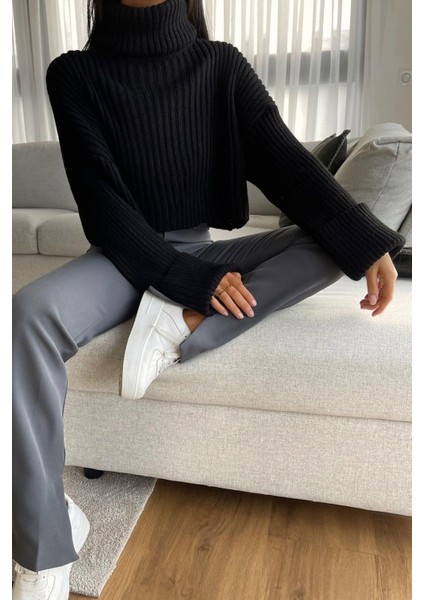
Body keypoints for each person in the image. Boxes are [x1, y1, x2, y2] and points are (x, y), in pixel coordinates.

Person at [12, 0, 405, 597]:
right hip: (122, 257)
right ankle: (46, 546)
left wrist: (367, 238)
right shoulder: (73, 73)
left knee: (334, 242)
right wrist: (182, 275)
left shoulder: (220, 65)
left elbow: (289, 167)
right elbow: (102, 207)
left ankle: (185, 324)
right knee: (23, 317)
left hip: (202, 253)